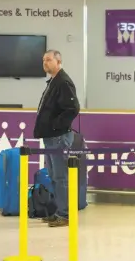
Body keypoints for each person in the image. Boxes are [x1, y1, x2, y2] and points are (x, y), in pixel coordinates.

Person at [33, 50, 80, 227]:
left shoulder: (63, 82)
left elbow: (73, 108)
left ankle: (65, 215)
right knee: (54, 176)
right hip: (50, 137)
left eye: (49, 60)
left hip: (58, 137)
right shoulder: (53, 81)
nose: (45, 62)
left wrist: (55, 125)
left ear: (58, 61)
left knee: (61, 177)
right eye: (43, 60)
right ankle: (59, 211)